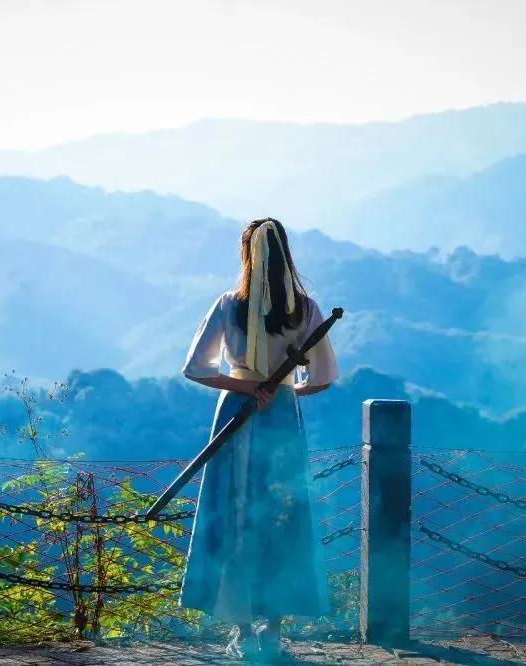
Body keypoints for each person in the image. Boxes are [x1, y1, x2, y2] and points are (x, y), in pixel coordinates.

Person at [177, 217, 339, 661]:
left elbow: (197, 368)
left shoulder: (229, 305)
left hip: (237, 414)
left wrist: (247, 386)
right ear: (285, 254)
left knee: (237, 514)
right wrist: (287, 390)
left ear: (247, 255)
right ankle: (272, 630)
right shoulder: (305, 309)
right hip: (282, 420)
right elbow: (323, 376)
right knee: (280, 515)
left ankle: (244, 629)